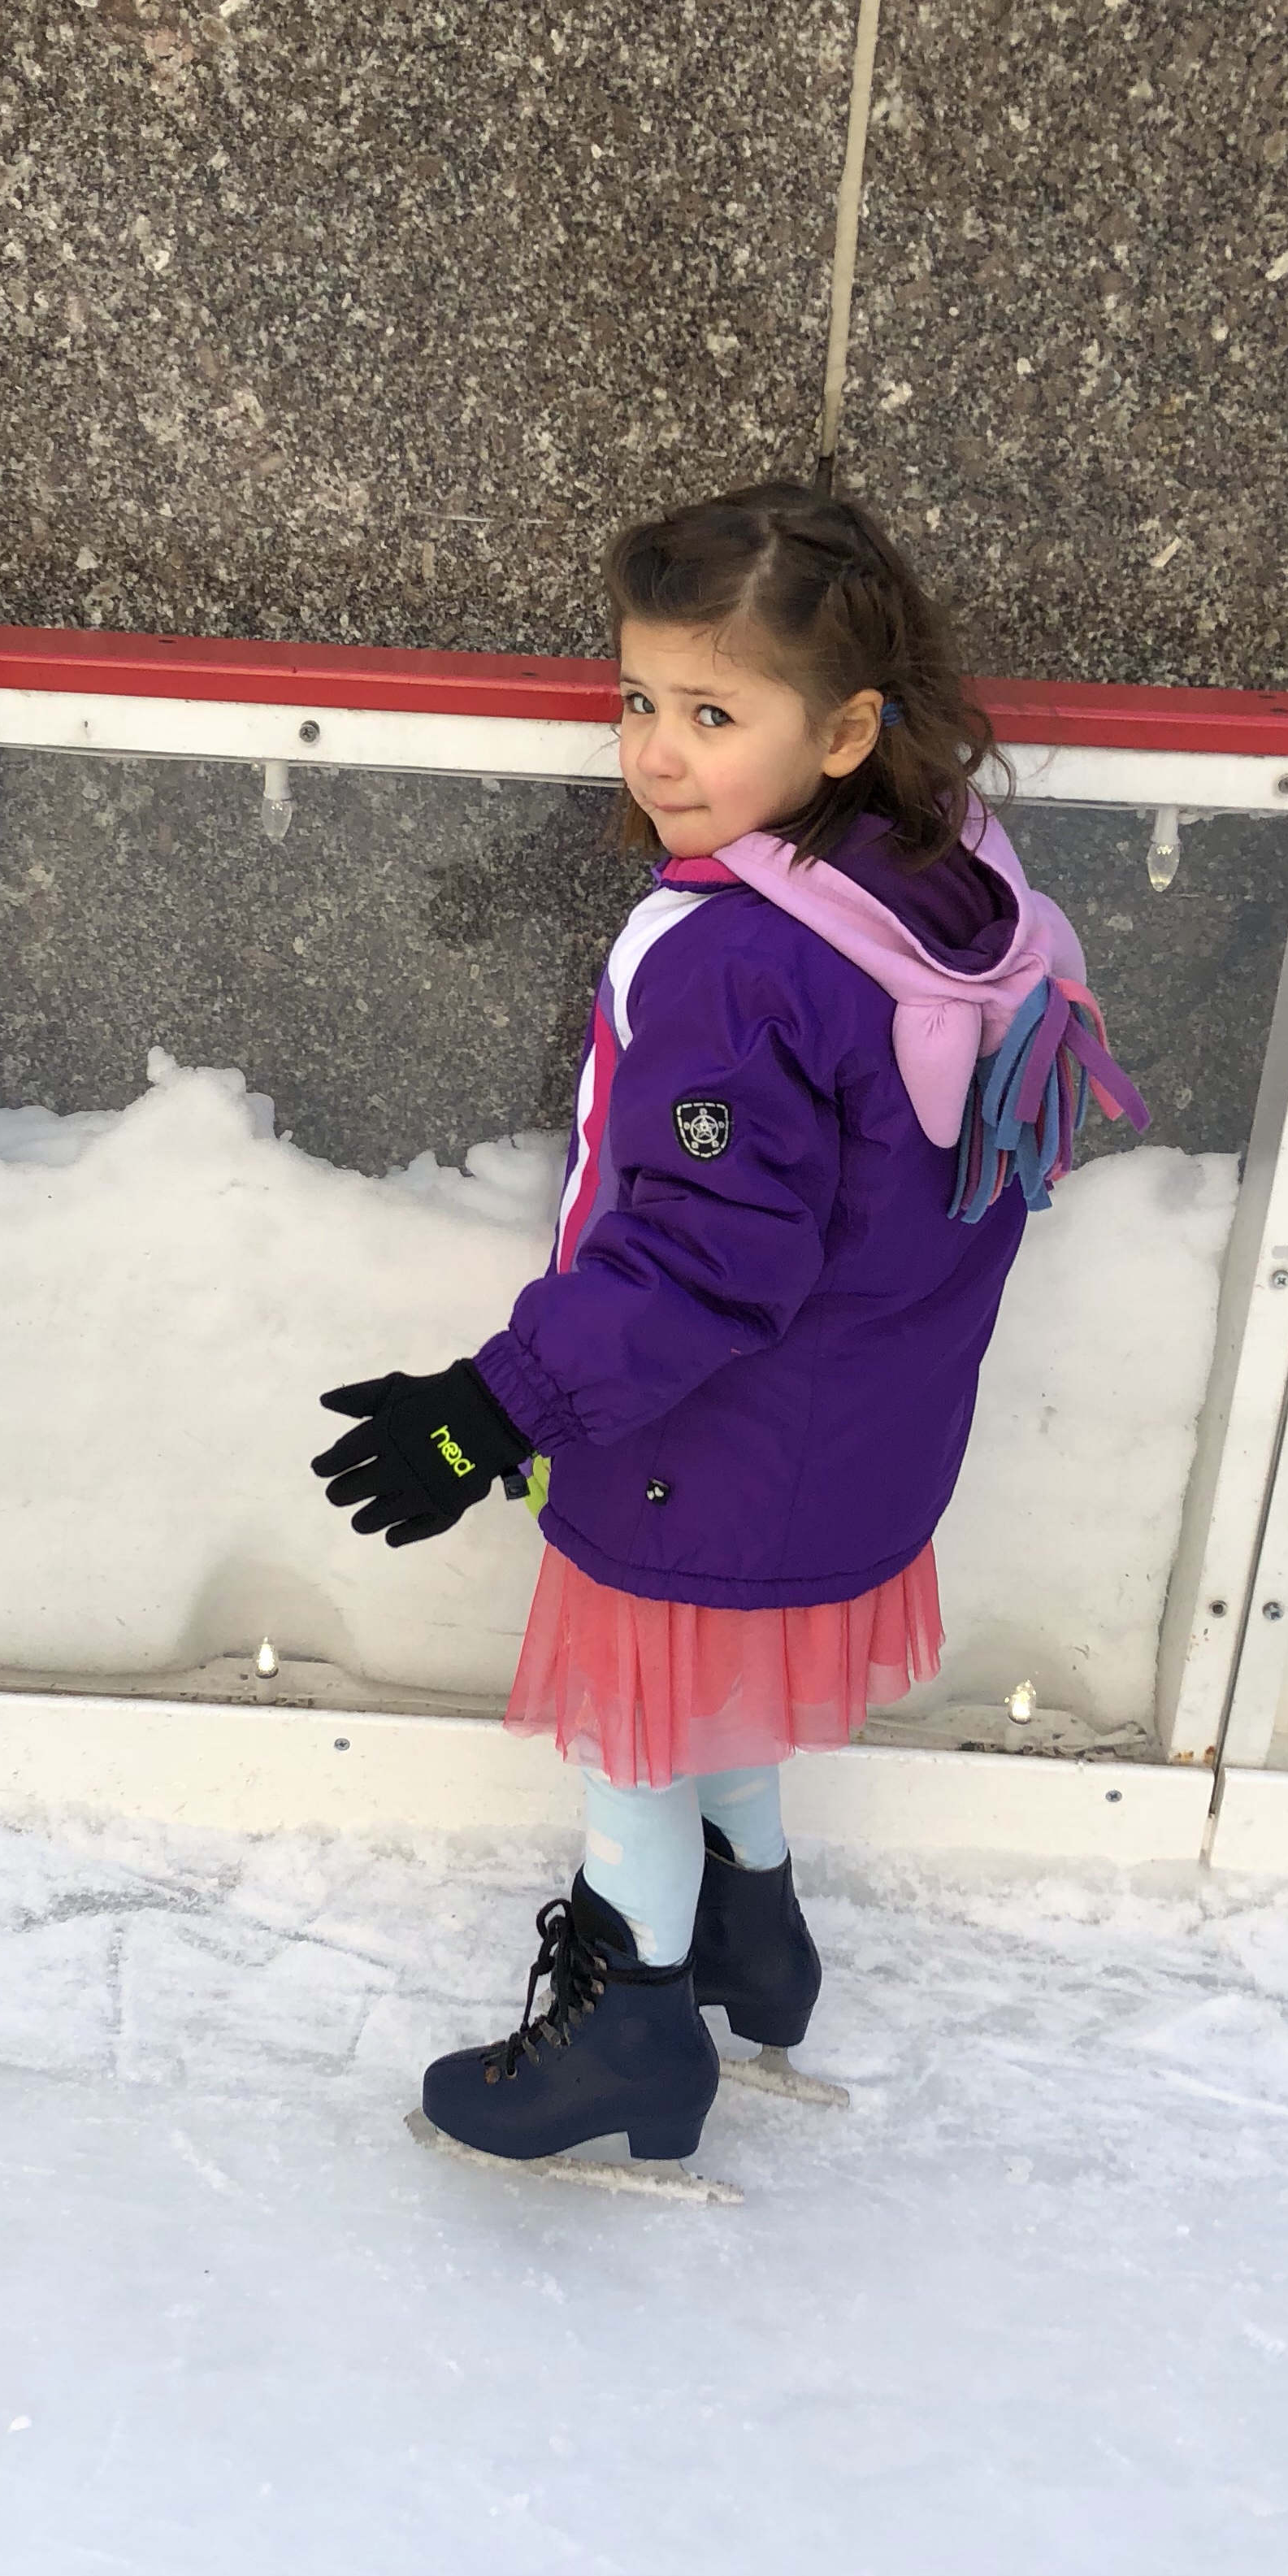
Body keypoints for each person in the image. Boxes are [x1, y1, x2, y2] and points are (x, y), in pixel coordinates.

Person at [313, 478, 1143, 2175]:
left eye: (712, 713)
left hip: (703, 1440)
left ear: (844, 730)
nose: (655, 753)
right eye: (638, 699)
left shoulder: (739, 961)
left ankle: (632, 2026)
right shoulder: (946, 881)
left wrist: (496, 1407)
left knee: (636, 1726)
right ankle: (755, 1938)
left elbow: (703, 1261)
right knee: (719, 1689)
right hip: (853, 1435)